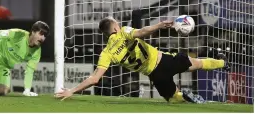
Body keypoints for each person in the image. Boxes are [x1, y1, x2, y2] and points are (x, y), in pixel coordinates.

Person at [55, 16, 230, 103]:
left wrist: (72, 91)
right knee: (197, 64)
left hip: (154, 75)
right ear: (115, 27)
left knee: (173, 98)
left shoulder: (106, 53)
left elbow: (94, 79)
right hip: (163, 61)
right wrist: (159, 25)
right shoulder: (124, 32)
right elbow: (142, 32)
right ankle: (223, 62)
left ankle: (184, 96)